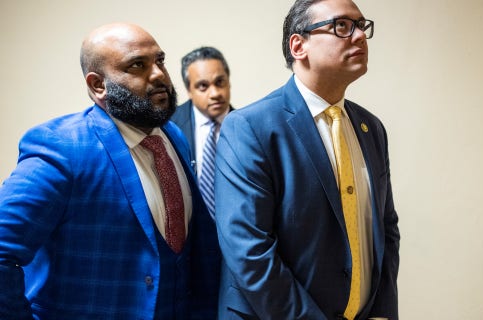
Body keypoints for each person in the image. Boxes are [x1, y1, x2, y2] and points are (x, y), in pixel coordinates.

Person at [0, 22, 221, 319]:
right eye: (137, 65)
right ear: (98, 85)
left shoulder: (172, 136)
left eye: (160, 61)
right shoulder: (61, 148)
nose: (158, 75)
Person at [214, 0, 400, 319]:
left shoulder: (372, 128)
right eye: (342, 26)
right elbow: (249, 250)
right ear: (298, 45)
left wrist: (382, 310)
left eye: (362, 25)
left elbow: (386, 229)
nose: (359, 37)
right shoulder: (249, 127)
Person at [171, 46, 233, 215]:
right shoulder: (167, 126)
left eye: (220, 82)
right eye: (203, 86)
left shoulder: (249, 128)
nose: (215, 93)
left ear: (229, 81)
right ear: (189, 91)